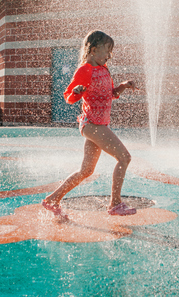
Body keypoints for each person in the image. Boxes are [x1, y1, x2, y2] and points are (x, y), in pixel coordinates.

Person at [42, 30, 137, 219]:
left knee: (86, 170)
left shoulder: (104, 69)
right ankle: (115, 204)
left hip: (99, 124)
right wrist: (76, 91)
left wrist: (123, 86)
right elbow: (69, 97)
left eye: (111, 52)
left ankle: (52, 199)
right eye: (106, 51)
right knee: (124, 157)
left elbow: (110, 93)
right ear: (93, 50)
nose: (109, 55)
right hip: (92, 124)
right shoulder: (85, 70)